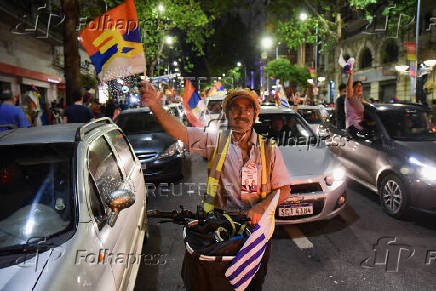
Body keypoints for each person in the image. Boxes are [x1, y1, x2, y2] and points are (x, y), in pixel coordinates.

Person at [141, 83, 291, 290]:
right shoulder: (215, 142)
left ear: (255, 114)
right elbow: (182, 133)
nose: (241, 113)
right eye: (235, 108)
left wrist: (262, 207)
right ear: (227, 113)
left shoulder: (270, 150)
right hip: (219, 228)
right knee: (216, 283)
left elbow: (284, 189)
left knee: (252, 284)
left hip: (256, 232)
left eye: (248, 108)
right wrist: (155, 106)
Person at [345, 70, 364, 136]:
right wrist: (351, 75)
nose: (360, 88)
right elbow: (348, 88)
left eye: (361, 86)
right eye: (357, 86)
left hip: (361, 128)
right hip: (353, 128)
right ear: (353, 89)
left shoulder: (360, 100)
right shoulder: (351, 97)